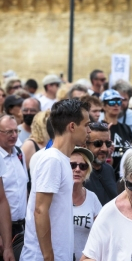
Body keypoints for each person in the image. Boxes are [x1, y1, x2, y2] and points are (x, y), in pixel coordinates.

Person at [20, 98, 91, 261]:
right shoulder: (52, 160)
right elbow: (40, 210)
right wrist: (49, 256)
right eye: (86, 125)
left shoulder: (60, 159)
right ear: (72, 126)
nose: (89, 131)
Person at [71, 147, 101, 261]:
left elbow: (102, 232)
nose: (77, 169)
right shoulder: (55, 197)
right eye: (72, 165)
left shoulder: (92, 198)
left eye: (83, 166)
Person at [0, 113, 29, 237]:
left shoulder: (19, 153)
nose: (14, 135)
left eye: (16, 131)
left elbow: (25, 188)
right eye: (9, 132)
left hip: (21, 227)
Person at [100, 89, 132, 179]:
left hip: (125, 176)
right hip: (106, 175)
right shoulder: (99, 128)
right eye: (111, 102)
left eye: (118, 102)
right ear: (103, 106)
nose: (116, 105)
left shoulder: (126, 128)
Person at [85, 121, 118, 205]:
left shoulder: (109, 169)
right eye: (98, 144)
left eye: (107, 143)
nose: (104, 149)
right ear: (85, 145)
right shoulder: (78, 171)